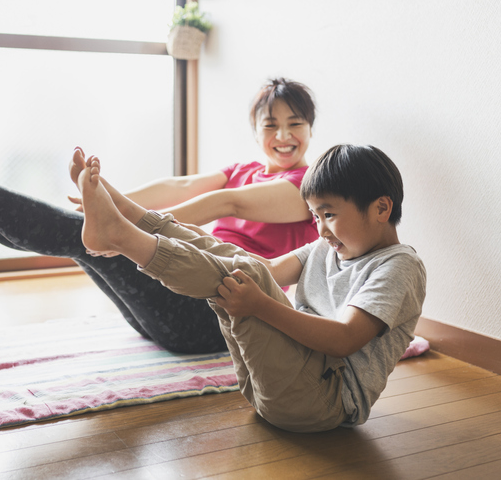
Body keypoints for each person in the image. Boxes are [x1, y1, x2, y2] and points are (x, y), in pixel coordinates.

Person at [0, 77, 319, 354]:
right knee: (87, 243)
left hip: (221, 319)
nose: (282, 135)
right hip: (178, 302)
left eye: (294, 123)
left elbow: (231, 203)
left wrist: (134, 222)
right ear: (256, 130)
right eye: (270, 125)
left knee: (83, 237)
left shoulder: (308, 186)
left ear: (310, 129)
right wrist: (114, 195)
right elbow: (181, 185)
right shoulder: (241, 170)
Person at [73, 144, 427, 432]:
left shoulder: (398, 266)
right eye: (315, 217)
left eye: (329, 214)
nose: (320, 229)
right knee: (250, 267)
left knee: (250, 278)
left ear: (381, 208)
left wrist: (261, 306)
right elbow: (267, 268)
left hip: (325, 402)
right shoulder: (326, 247)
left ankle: (123, 236)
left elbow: (344, 339)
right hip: (267, 388)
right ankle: (133, 217)